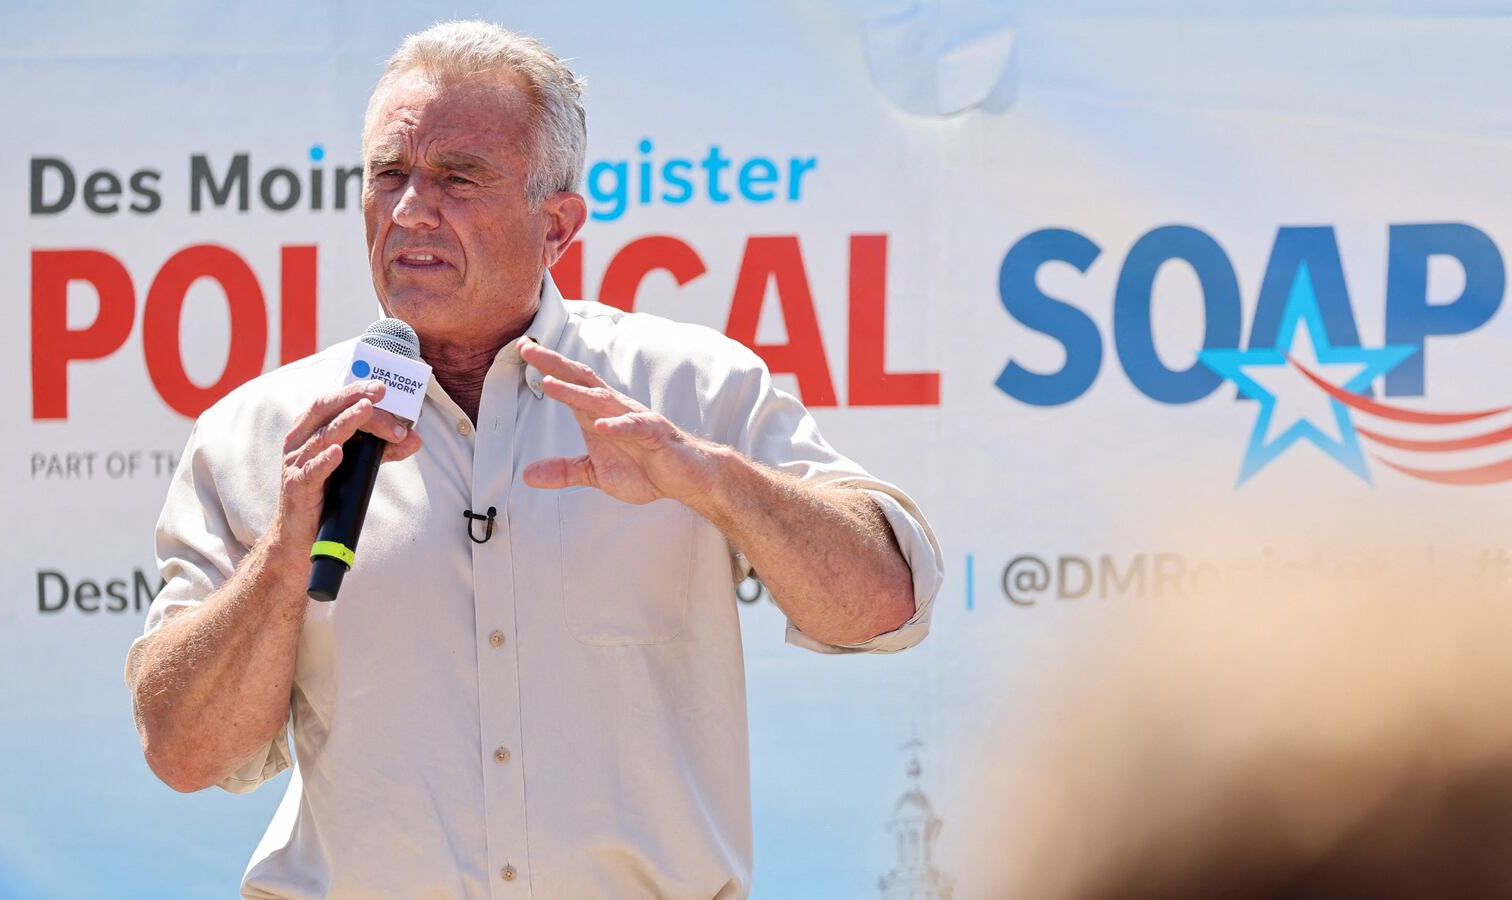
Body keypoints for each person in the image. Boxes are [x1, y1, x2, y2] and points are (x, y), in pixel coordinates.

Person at [124, 19, 941, 898]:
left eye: (458, 178)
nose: (408, 211)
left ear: (557, 224)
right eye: (389, 174)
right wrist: (283, 563)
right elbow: (181, 751)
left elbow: (885, 605)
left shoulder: (689, 390)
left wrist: (714, 483)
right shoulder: (264, 435)